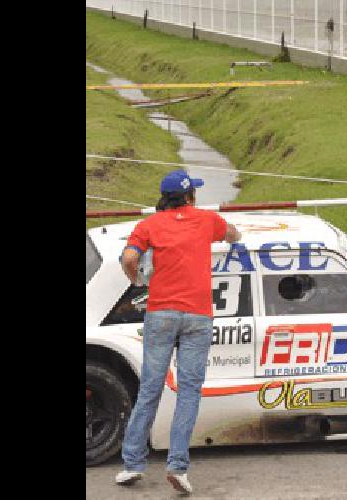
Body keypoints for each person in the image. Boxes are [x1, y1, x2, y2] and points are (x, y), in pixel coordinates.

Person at [115, 169, 242, 495]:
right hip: (198, 316)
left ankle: (132, 464)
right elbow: (232, 234)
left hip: (161, 314)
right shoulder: (206, 220)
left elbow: (129, 256)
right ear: (189, 196)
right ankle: (177, 466)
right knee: (189, 390)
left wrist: (137, 280)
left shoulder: (149, 225)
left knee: (150, 389)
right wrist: (232, 236)